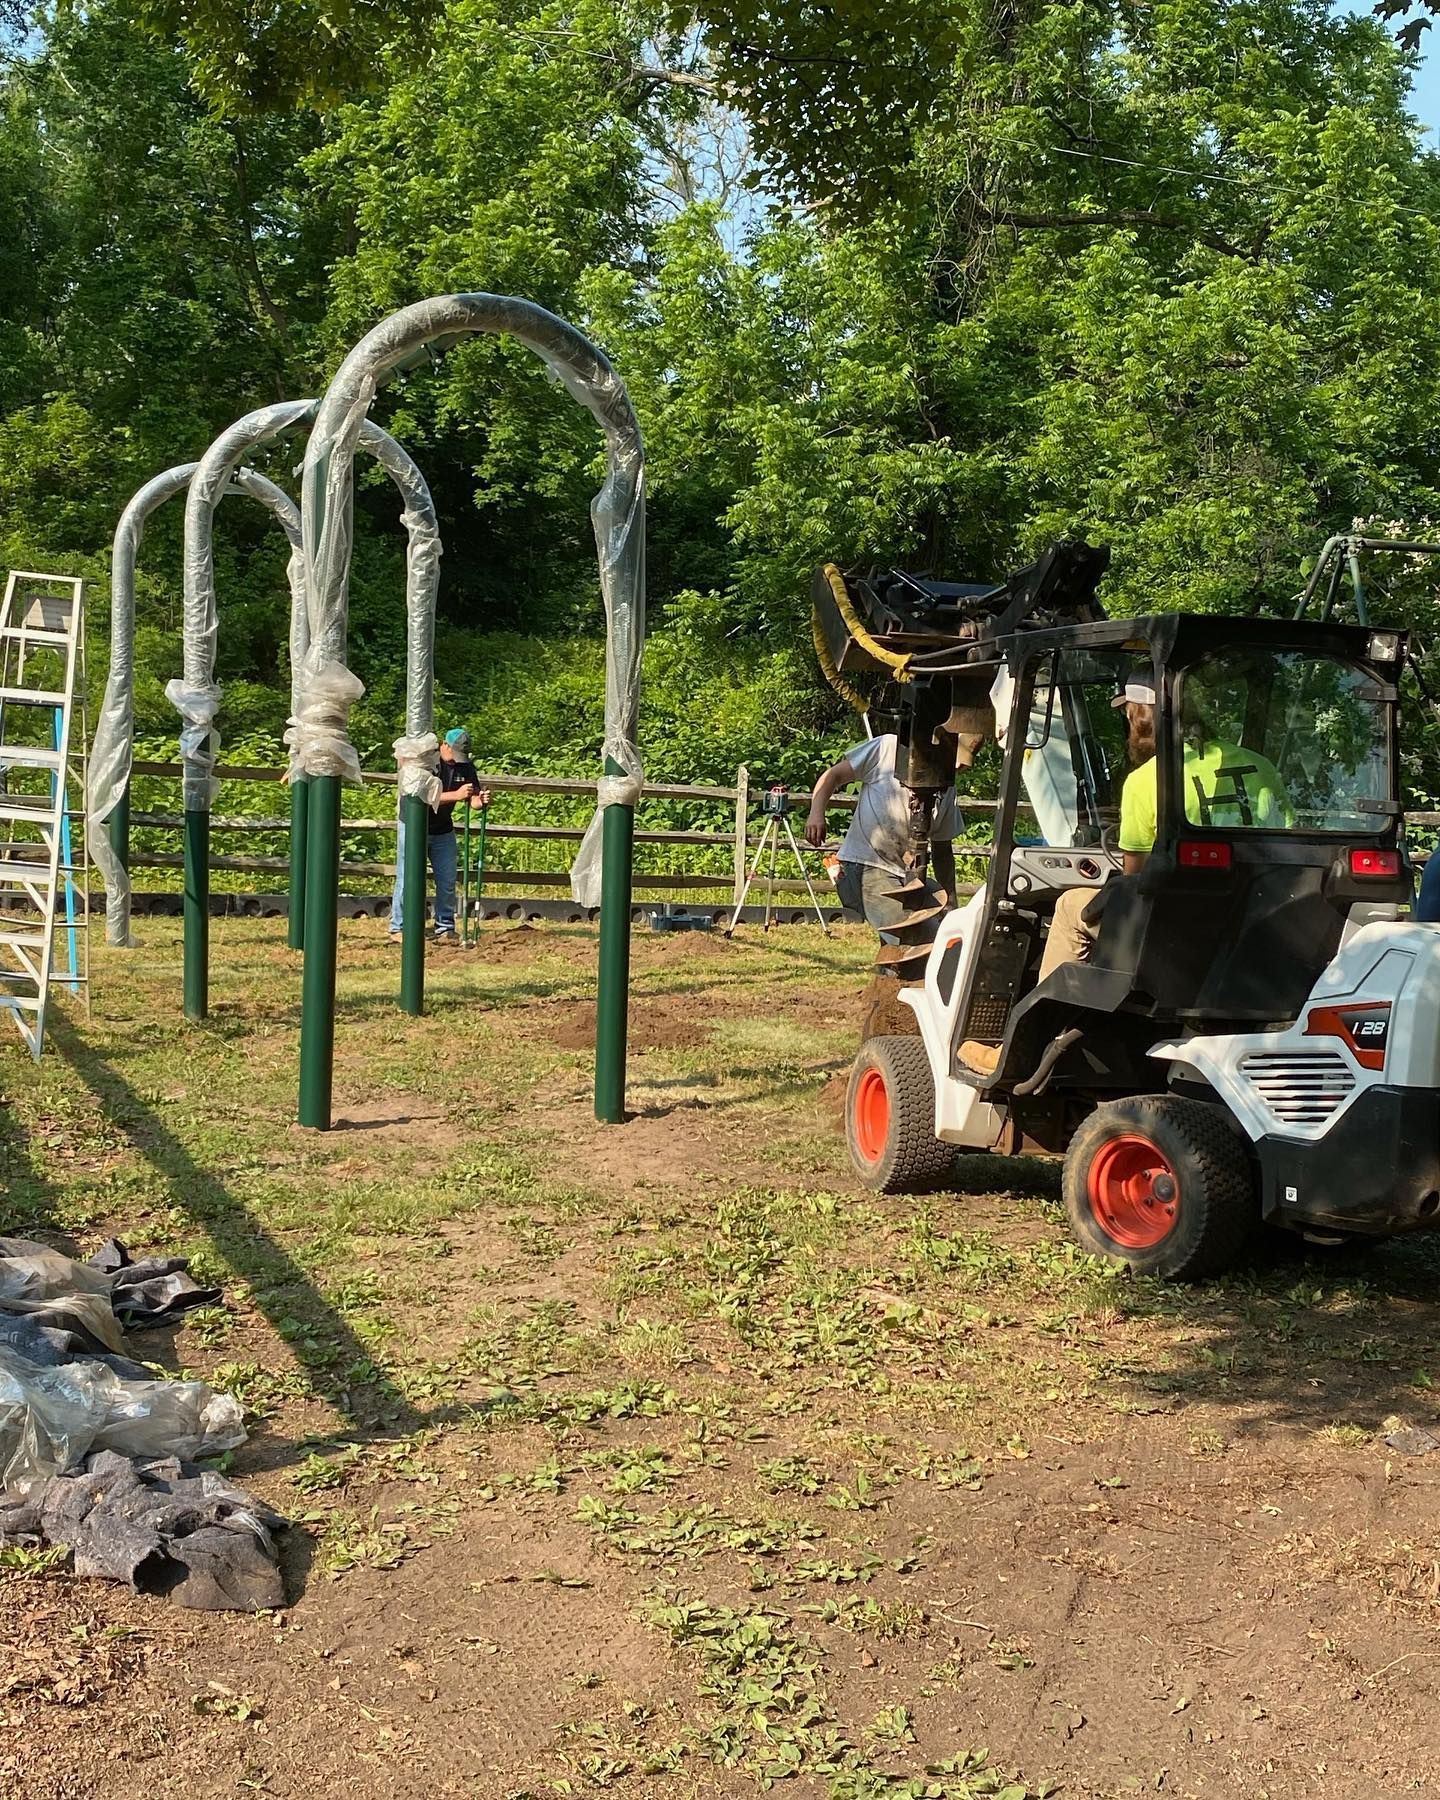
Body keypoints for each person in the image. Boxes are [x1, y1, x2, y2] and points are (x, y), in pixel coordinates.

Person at [959, 680, 1289, 1073]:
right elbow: (1284, 849)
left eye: (1127, 714)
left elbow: (1135, 881)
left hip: (1177, 932)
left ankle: (1029, 1045)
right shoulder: (1260, 767)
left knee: (1068, 907)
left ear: (1140, 716)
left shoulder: (1147, 781)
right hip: (1254, 925)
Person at [804, 734, 958, 942]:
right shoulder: (888, 748)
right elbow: (833, 775)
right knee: (912, 939)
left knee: (938, 932)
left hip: (903, 875)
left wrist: (951, 905)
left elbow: (943, 852)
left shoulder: (947, 788)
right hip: (865, 865)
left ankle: (891, 973)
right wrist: (816, 813)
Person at [389, 727, 490, 945]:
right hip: (414, 827)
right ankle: (398, 927)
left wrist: (479, 801)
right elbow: (421, 796)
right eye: (454, 754)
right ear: (444, 746)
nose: (456, 760)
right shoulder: (426, 763)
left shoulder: (466, 767)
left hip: (443, 829)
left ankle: (445, 927)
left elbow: (472, 800)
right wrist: (456, 795)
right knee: (407, 878)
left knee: (447, 880)